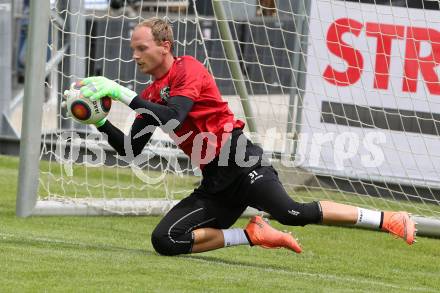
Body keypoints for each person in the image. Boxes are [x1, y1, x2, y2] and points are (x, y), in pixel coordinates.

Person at [77, 18, 416, 256]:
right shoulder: (150, 93)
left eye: (141, 48)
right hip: (215, 179)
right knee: (165, 240)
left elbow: (173, 115)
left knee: (291, 213)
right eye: (133, 49)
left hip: (241, 159)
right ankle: (252, 235)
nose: (134, 56)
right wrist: (100, 121)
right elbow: (131, 151)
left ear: (165, 46)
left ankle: (388, 219)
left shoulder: (188, 69)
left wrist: (119, 92)